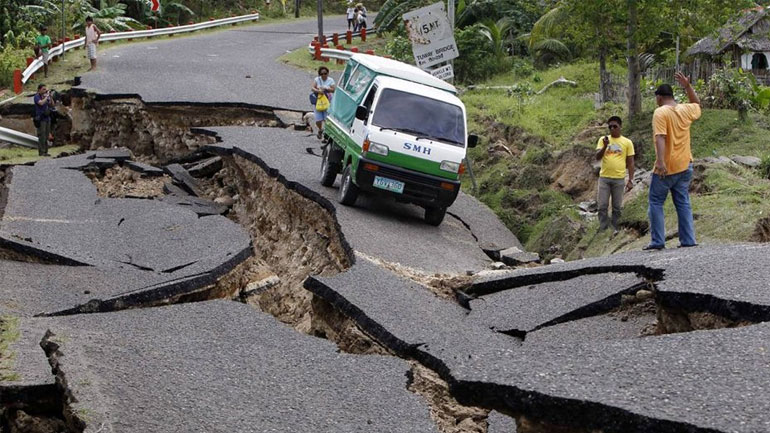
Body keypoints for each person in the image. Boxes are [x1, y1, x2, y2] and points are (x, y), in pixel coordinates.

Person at [644, 71, 701, 250]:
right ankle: (688, 239)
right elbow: (697, 104)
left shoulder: (660, 112)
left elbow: (660, 136)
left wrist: (660, 162)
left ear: (659, 98)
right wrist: (688, 86)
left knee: (655, 201)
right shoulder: (685, 109)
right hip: (686, 165)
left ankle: (657, 241)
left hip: (667, 167)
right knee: (683, 201)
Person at [595, 116, 635, 234]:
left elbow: (631, 162)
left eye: (615, 126)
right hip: (604, 178)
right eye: (610, 127)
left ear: (620, 127)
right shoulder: (603, 139)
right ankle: (603, 228)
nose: (612, 129)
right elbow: (597, 157)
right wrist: (604, 146)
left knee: (617, 206)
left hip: (619, 178)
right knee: (602, 205)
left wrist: (631, 179)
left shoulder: (627, 142)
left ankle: (615, 227)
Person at [311, 66, 335, 140]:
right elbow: (312, 88)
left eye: (325, 73)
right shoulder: (317, 79)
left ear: (327, 73)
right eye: (322, 74)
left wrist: (326, 88)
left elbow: (333, 89)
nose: (323, 75)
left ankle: (326, 135)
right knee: (318, 119)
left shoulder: (331, 80)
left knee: (326, 119)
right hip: (319, 101)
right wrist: (318, 91)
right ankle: (320, 129)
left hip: (327, 102)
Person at [33, 84, 53, 157]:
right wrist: (46, 97)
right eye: (43, 89)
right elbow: (40, 103)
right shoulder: (36, 96)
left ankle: (46, 151)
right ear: (39, 90)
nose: (45, 91)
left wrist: (50, 96)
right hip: (41, 119)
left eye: (45, 89)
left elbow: (51, 104)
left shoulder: (45, 96)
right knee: (42, 135)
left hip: (47, 118)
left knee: (47, 135)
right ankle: (41, 152)